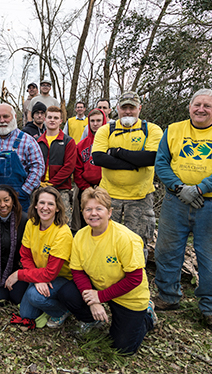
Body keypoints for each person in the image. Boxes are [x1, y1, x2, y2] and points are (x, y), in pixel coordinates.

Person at [154, 88, 212, 337]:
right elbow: (161, 161)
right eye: (197, 104)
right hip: (176, 202)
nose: (201, 109)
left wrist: (201, 188)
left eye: (207, 105)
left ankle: (211, 309)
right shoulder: (174, 130)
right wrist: (178, 187)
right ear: (190, 107)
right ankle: (168, 296)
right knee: (166, 250)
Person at [58, 187, 156, 354]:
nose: (93, 213)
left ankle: (147, 316)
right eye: (88, 209)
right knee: (66, 293)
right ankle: (92, 320)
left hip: (127, 296)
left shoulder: (125, 238)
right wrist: (94, 300)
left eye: (99, 209)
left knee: (123, 348)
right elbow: (78, 271)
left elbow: (134, 279)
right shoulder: (80, 236)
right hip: (99, 288)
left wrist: (100, 296)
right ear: (82, 213)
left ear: (110, 212)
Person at [92, 91, 163, 259]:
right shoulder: (105, 129)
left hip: (140, 197)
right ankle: (106, 280)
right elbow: (99, 158)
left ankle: (136, 281)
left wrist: (117, 152)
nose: (128, 112)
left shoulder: (151, 130)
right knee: (106, 240)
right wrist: (134, 164)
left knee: (137, 242)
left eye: (132, 107)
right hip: (108, 197)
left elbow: (151, 157)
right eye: (124, 108)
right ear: (117, 109)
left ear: (139, 108)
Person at [4, 187, 73, 328]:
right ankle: (45, 300)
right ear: (35, 205)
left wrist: (19, 274)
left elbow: (51, 273)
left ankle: (63, 311)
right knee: (27, 315)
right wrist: (37, 280)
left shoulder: (62, 233)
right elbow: (25, 255)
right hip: (40, 272)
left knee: (34, 296)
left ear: (58, 208)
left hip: (62, 278)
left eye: (51, 204)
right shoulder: (32, 223)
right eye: (42, 203)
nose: (45, 208)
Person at [36, 106, 76, 225]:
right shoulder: (37, 141)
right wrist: (39, 182)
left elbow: (69, 167)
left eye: (56, 118)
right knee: (37, 221)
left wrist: (52, 183)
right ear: (44, 119)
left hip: (61, 189)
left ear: (61, 120)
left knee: (64, 222)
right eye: (49, 117)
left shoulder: (68, 141)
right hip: (39, 187)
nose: (52, 120)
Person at [71, 108, 107, 231]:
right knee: (84, 221)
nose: (95, 124)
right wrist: (86, 188)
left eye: (98, 120)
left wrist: (102, 187)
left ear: (104, 121)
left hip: (105, 187)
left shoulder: (110, 142)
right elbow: (77, 169)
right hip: (85, 187)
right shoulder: (81, 145)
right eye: (92, 121)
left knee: (102, 221)